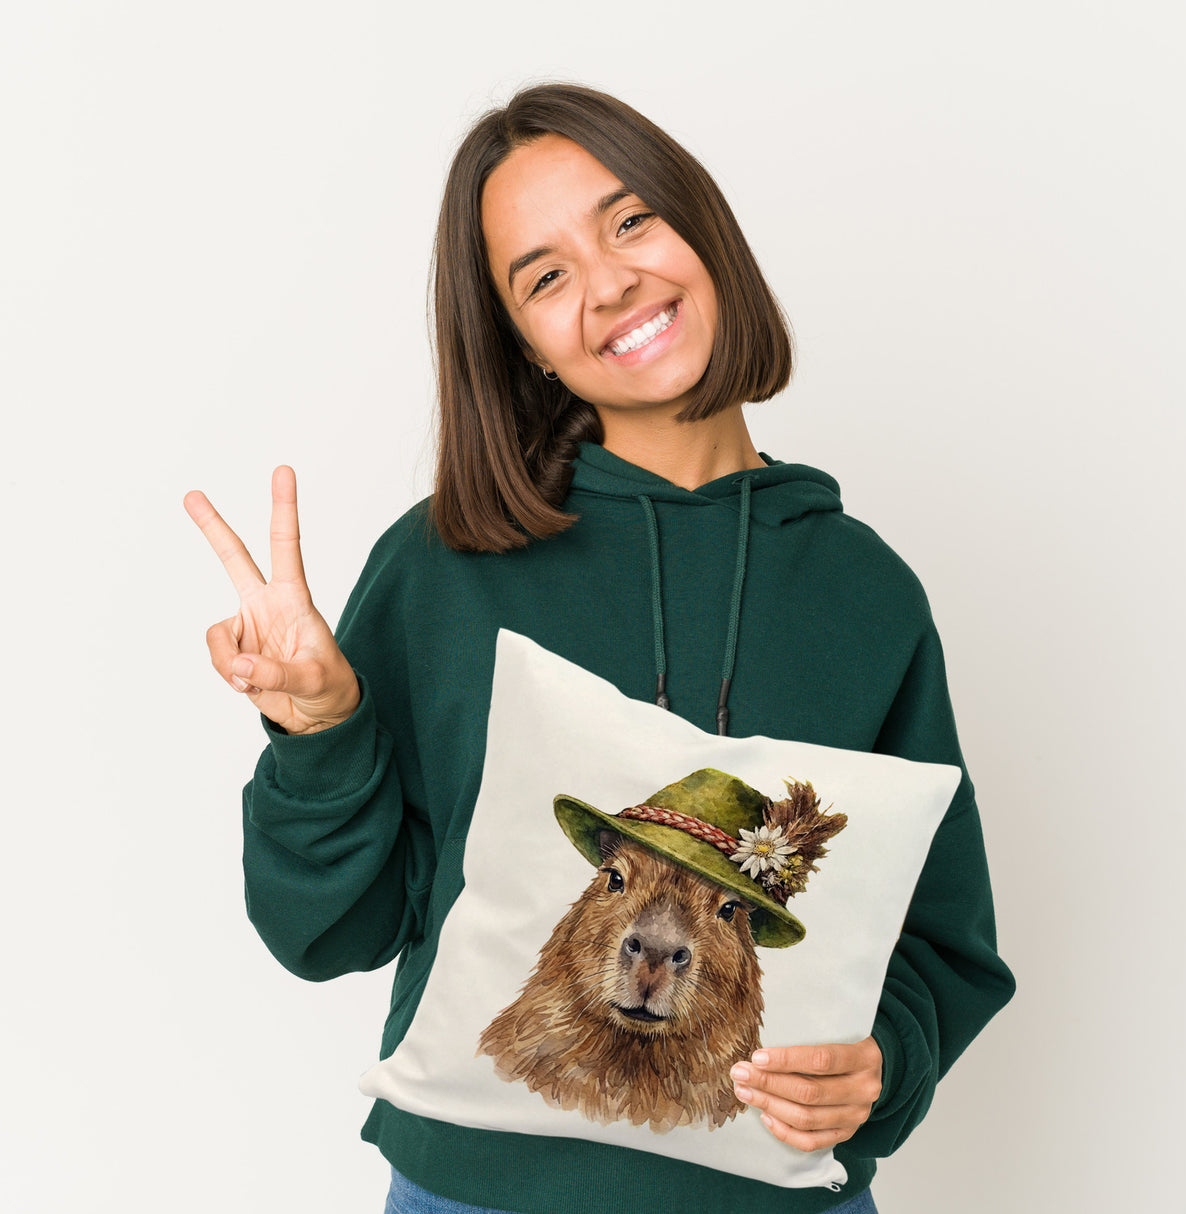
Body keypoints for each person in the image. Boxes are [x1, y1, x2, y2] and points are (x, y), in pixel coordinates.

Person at [185, 83, 1014, 1214]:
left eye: (628, 222)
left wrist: (883, 1063)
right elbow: (324, 930)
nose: (610, 280)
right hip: (477, 1191)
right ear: (519, 339)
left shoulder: (861, 593)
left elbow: (941, 940)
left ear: (701, 229)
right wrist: (319, 733)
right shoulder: (446, 563)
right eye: (544, 273)